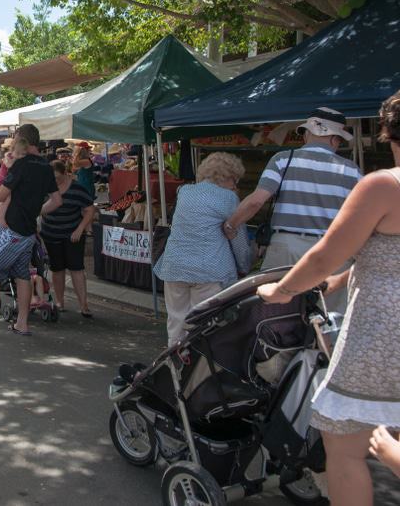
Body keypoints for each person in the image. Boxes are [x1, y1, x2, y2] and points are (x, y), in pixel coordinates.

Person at [257, 92, 400, 506]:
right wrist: (341, 280)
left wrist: (280, 290)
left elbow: (324, 256)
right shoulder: (352, 172)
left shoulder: (382, 184)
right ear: (337, 138)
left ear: (389, 132)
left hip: (381, 332)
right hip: (345, 273)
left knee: (346, 448)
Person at [224, 107, 361, 276]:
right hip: (333, 250)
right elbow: (361, 215)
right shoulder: (352, 170)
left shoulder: (282, 159)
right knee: (328, 302)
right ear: (335, 139)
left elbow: (256, 201)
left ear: (306, 134)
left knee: (280, 300)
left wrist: (231, 225)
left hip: (287, 248)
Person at [0, 124, 60, 337]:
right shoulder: (45, 166)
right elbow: (56, 199)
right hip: (28, 230)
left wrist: (5, 170)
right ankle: (22, 324)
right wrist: (36, 211)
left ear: (21, 140)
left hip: (11, 228)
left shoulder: (20, 164)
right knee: (22, 274)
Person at [154, 152, 254, 345]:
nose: (236, 186)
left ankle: (175, 364)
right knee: (204, 327)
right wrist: (245, 266)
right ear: (226, 177)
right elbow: (239, 241)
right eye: (235, 180)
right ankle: (199, 368)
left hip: (175, 267)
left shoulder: (185, 191)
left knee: (176, 322)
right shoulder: (229, 198)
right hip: (209, 270)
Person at [40, 159, 98, 319]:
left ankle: (84, 304)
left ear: (65, 174)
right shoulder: (45, 187)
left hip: (73, 234)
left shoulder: (77, 189)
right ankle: (59, 302)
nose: (55, 181)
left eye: (57, 177)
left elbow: (90, 209)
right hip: (51, 233)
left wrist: (80, 229)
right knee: (57, 269)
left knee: (76, 268)